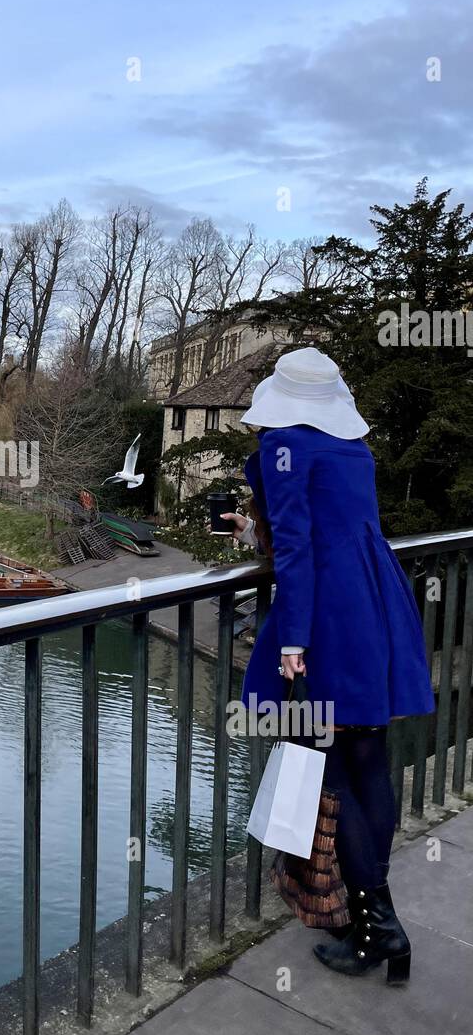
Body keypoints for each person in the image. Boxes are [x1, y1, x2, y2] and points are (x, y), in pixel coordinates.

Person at [219, 347, 433, 985]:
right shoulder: (353, 450)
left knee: (332, 773)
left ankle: (376, 930)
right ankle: (381, 925)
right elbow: (334, 527)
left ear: (281, 399)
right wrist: (256, 536)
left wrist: (293, 640)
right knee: (369, 761)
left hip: (330, 620)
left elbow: (298, 546)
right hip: (374, 605)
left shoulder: (284, 445)